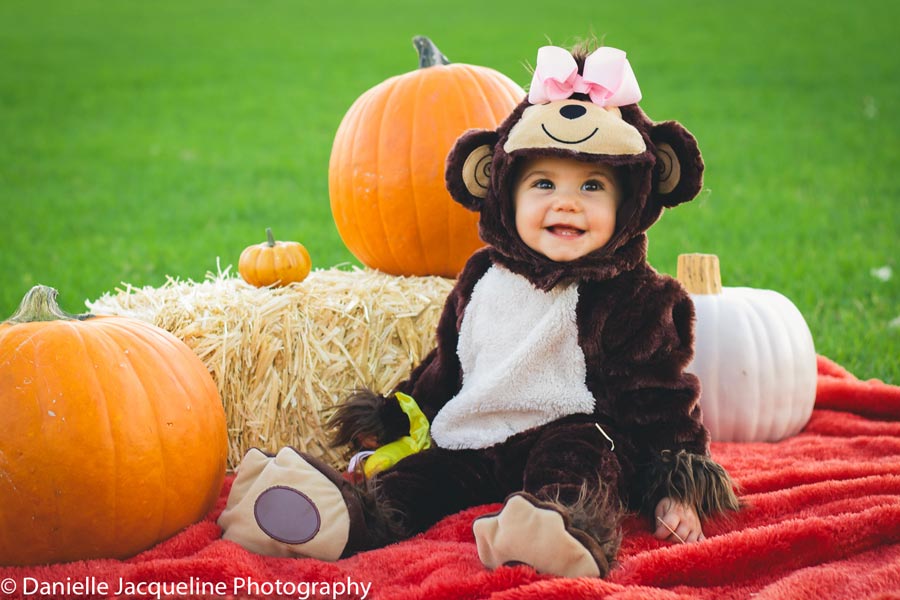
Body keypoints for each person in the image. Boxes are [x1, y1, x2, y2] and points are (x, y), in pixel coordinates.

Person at [218, 42, 740, 578]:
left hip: (570, 432)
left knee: (581, 461)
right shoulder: (482, 276)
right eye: (543, 183)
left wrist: (675, 487)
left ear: (630, 200)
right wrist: (395, 416)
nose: (566, 202)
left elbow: (662, 400)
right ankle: (337, 521)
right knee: (415, 482)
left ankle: (554, 528)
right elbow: (448, 364)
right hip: (474, 439)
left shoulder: (637, 297)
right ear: (502, 190)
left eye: (592, 186)